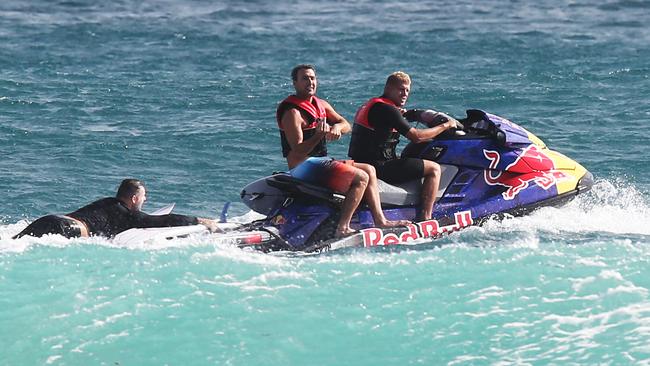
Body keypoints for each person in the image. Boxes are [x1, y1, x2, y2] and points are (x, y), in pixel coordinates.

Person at [277, 64, 409, 236]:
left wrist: (337, 128)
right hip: (303, 167)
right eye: (304, 78)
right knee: (361, 178)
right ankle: (343, 227)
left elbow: (346, 124)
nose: (310, 82)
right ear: (295, 83)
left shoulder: (321, 104)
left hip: (321, 162)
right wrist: (318, 136)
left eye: (312, 78)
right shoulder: (292, 113)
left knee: (370, 169)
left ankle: (380, 220)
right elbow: (297, 150)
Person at [348, 71, 461, 221]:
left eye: (407, 90)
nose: (405, 94)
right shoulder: (388, 109)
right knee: (434, 169)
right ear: (388, 89)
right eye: (400, 89)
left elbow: (384, 125)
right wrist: (446, 126)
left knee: (408, 158)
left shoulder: (373, 104)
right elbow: (416, 137)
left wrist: (400, 115)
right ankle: (426, 218)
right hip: (379, 167)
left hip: (363, 162)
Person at [13, 179, 219, 239]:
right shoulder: (128, 214)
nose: (145, 200)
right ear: (134, 198)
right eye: (144, 197)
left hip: (51, 219)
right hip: (67, 228)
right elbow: (162, 221)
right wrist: (201, 221)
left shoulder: (107, 203)